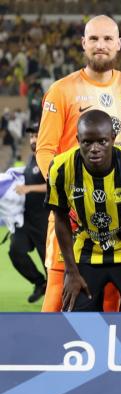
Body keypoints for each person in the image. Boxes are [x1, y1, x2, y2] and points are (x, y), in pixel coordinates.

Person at [36, 15, 121, 312]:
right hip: (73, 211)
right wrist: (67, 196)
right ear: (83, 43)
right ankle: (49, 343)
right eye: (94, 39)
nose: (101, 45)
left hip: (120, 215)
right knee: (59, 291)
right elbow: (45, 150)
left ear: (119, 44)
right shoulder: (62, 90)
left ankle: (104, 346)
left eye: (108, 39)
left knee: (113, 298)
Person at [45, 110, 121, 312]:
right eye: (87, 142)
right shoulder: (60, 168)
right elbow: (60, 217)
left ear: (113, 138)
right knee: (81, 324)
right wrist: (71, 271)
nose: (94, 149)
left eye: (102, 141)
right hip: (86, 253)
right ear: (78, 140)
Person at [10, 124, 47, 303]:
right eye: (31, 136)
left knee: (51, 266)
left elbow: (53, 185)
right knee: (15, 251)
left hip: (45, 221)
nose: (33, 139)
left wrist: (28, 188)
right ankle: (40, 283)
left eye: (36, 135)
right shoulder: (32, 159)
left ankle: (61, 300)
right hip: (27, 219)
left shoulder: (48, 159)